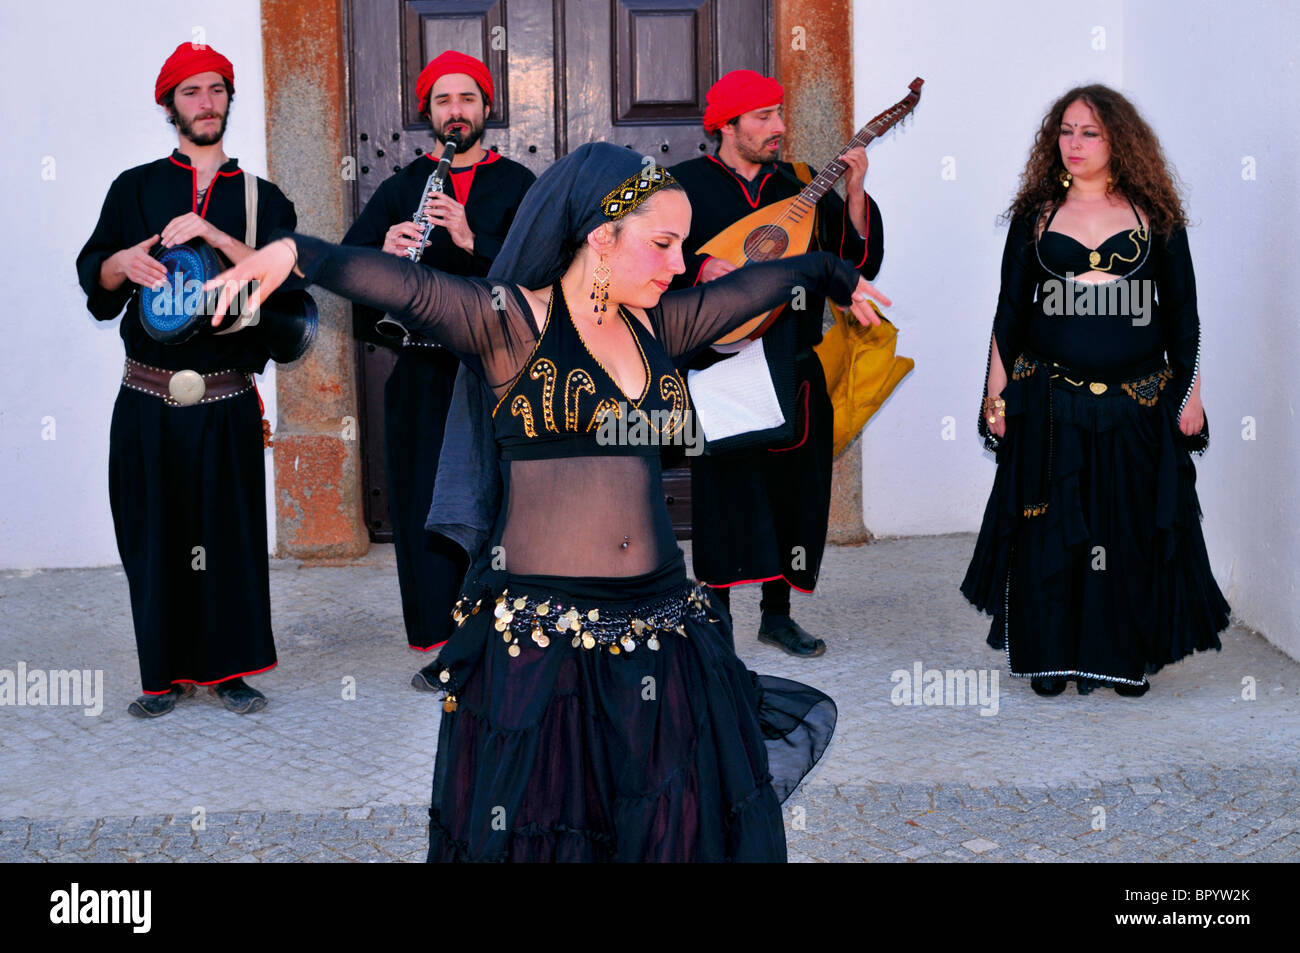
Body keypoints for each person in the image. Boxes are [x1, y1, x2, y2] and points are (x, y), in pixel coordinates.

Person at [206, 143, 890, 861]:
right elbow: (403, 289)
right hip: (543, 632)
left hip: (661, 617)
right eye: (662, 243)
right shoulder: (511, 324)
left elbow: (753, 288)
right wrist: (292, 252)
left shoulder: (658, 326)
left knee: (669, 815)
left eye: (681, 246)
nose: (679, 264)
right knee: (551, 821)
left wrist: (831, 271)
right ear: (602, 234)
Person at [961, 85, 1230, 697]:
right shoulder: (1036, 218)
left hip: (1136, 404)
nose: (1074, 144)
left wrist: (1190, 393)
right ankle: (1051, 654)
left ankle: (1122, 657)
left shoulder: (1155, 216)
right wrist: (993, 396)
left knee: (1126, 532)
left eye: (1089, 133)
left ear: (1119, 141)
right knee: (1050, 528)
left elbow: (1183, 316)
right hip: (1050, 403)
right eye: (1066, 131)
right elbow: (1009, 313)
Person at [75, 43, 300, 717]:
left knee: (226, 537)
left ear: (230, 99)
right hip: (147, 395)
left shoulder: (262, 198)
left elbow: (286, 278)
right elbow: (96, 281)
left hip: (226, 394)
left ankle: (230, 670)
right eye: (192, 91)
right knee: (153, 533)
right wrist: (120, 263)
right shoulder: (133, 188)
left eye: (217, 90)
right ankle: (162, 674)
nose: (207, 103)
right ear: (168, 103)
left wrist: (217, 235)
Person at [669, 70, 884, 658]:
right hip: (718, 365)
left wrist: (857, 193)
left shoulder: (801, 184)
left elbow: (856, 264)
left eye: (780, 114)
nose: (779, 127)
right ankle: (714, 615)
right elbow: (630, 253)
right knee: (723, 492)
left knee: (794, 490)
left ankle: (777, 613)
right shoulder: (676, 185)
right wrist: (695, 273)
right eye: (763, 116)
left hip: (792, 359)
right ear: (726, 126)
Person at [342, 51, 535, 687]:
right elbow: (348, 270)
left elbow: (548, 276)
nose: (457, 111)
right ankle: (444, 644)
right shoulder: (401, 188)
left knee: (505, 507)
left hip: (499, 370)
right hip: (425, 375)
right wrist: (387, 257)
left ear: (487, 108)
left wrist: (474, 242)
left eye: (468, 99)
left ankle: (504, 638)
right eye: (444, 101)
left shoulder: (519, 184)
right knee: (429, 506)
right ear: (429, 115)